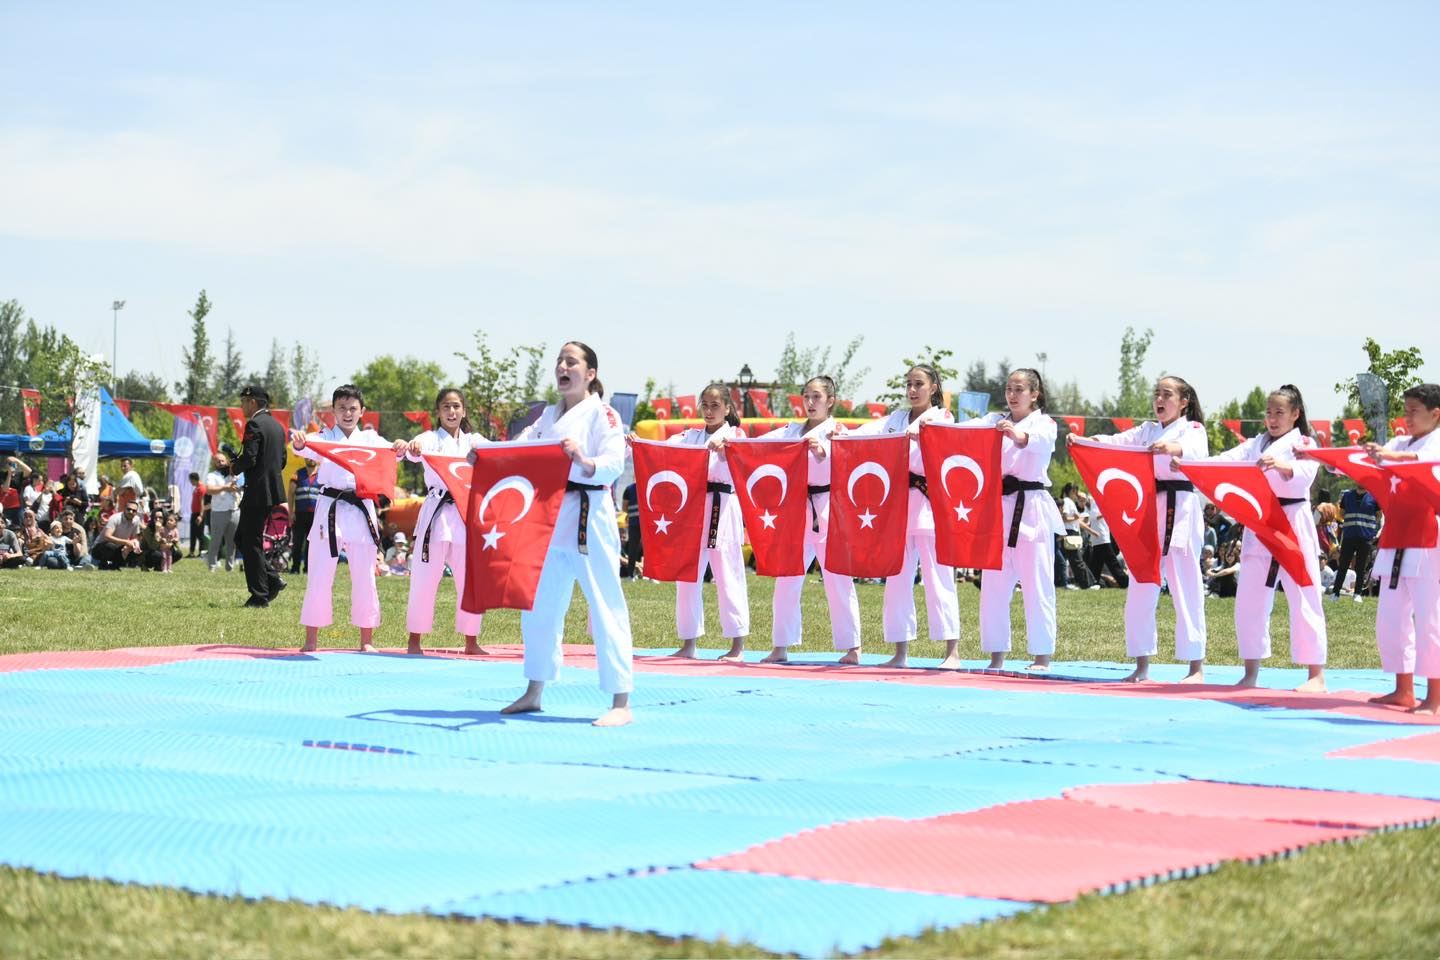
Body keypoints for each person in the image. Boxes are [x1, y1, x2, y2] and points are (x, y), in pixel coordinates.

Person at [503, 342, 634, 727]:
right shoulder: (547, 415)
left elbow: (614, 462)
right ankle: (534, 690)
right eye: (559, 361)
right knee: (540, 604)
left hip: (589, 514)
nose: (562, 366)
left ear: (590, 374)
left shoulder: (604, 414)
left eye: (571, 362)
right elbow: (519, 450)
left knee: (605, 602)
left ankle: (621, 701)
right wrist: (488, 454)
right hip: (549, 514)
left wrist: (584, 460)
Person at [1072, 376, 1209, 682]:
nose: (1159, 399)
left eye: (1167, 394)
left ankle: (1195, 667)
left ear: (1183, 401)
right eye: (1157, 394)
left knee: (1185, 585)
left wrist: (1172, 447)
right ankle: (1141, 664)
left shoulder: (1192, 429)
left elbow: (1196, 452)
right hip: (1148, 509)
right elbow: (1117, 441)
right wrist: (1087, 441)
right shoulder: (1147, 430)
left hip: (1180, 508)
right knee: (1140, 584)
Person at [1205, 385, 1326, 692]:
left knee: (1304, 595)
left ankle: (1316, 675)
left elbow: (1305, 473)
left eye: (1279, 412)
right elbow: (1226, 460)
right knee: (1250, 599)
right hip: (1261, 521)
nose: (1272, 418)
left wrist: (1283, 465)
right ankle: (1250, 673)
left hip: (1293, 522)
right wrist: (1194, 466)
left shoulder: (1304, 442)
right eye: (1269, 412)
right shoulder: (1256, 444)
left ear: (1295, 414)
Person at [742, 375, 863, 664]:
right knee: (787, 578)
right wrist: (730, 442)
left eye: (816, 397)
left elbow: (849, 461)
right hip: (794, 510)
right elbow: (755, 445)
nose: (810, 402)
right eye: (806, 396)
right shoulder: (791, 431)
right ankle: (780, 646)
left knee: (837, 577)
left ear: (830, 401)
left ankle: (853, 647)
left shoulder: (838, 431)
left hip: (827, 507)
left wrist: (823, 452)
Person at [845, 364, 959, 668]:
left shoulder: (942, 417)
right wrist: (841, 432)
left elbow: (942, 442)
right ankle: (900, 652)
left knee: (938, 577)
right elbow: (865, 432)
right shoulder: (895, 419)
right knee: (896, 579)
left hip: (929, 504)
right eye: (908, 384)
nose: (912, 390)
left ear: (933, 387)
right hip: (897, 507)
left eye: (918, 384)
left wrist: (919, 434)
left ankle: (952, 651)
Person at [965, 369, 1064, 670]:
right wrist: (931, 426)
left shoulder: (1045, 424)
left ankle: (1042, 656)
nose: (1012, 394)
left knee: (1037, 584)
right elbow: (961, 430)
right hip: (999, 508)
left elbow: (1030, 440)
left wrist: (1014, 433)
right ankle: (996, 655)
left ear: (1034, 394)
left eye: (1019, 389)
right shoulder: (994, 420)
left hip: (1032, 507)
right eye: (1009, 388)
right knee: (993, 585)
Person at [1351, 383, 1440, 713]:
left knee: (1429, 619)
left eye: (1414, 411)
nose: (1408, 417)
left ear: (1435, 414)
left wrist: (1391, 456)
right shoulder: (1400, 442)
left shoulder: (1435, 443)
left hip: (1427, 537)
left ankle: (1435, 696)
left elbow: (1422, 461)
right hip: (1395, 534)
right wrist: (1330, 458)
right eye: (1406, 411)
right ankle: (1403, 689)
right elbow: (1370, 460)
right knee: (1391, 618)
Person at [653, 382, 749, 660]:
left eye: (715, 406)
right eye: (704, 405)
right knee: (687, 576)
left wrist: (727, 448)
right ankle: (689, 643)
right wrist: (638, 443)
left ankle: (737, 645)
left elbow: (747, 457)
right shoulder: (690, 436)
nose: (708, 411)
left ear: (727, 408)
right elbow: (661, 449)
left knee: (728, 573)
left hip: (723, 505)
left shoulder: (735, 434)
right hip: (693, 508)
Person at [292, 384, 389, 648]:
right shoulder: (324, 437)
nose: (347, 413)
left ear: (362, 411)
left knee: (365, 576)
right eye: (342, 408)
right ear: (333, 411)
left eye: (352, 408)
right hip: (330, 507)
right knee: (319, 574)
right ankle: (311, 640)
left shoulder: (370, 439)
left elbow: (395, 452)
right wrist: (299, 442)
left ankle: (366, 640)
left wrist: (404, 446)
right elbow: (303, 448)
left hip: (361, 507)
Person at [396, 388, 489, 656]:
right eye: (446, 407)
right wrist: (409, 447)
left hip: (465, 513)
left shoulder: (474, 441)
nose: (451, 411)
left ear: (464, 411)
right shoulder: (428, 438)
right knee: (424, 578)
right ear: (438, 412)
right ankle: (415, 640)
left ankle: (471, 641)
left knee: (470, 579)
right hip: (436, 513)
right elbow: (412, 451)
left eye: (456, 406)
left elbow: (499, 452)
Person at [230, 384, 289, 608]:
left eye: (243, 402)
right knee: (242, 539)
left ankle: (259, 595)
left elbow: (250, 458)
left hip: (257, 491)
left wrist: (234, 467)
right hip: (270, 490)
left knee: (250, 541)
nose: (242, 406)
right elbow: (282, 460)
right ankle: (272, 579)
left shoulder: (254, 424)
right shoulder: (277, 426)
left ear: (252, 402)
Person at [1332, 484, 1380, 604]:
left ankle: (1357, 594)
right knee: (1343, 565)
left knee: (1361, 567)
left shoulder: (1374, 497)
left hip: (1365, 538)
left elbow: (1379, 515)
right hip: (1349, 536)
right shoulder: (1347, 496)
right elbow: (1341, 513)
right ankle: (1335, 593)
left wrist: (1369, 528)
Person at [1082, 485, 1128, 588]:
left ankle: (1094, 582)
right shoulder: (1094, 502)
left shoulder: (1101, 501)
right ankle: (1123, 582)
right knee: (1104, 562)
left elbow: (1097, 516)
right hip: (1098, 538)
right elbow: (1093, 517)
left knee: (1103, 563)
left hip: (1101, 537)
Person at [205, 453, 241, 572]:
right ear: (214, 463)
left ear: (227, 461)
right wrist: (225, 488)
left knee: (232, 542)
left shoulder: (234, 475)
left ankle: (230, 567)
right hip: (218, 512)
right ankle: (212, 566)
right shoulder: (212, 476)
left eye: (222, 460)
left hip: (234, 511)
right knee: (216, 541)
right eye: (218, 461)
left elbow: (241, 487)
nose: (221, 463)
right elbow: (209, 490)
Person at [1057, 483, 1095, 590]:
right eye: (1076, 492)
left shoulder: (1069, 501)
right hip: (1070, 533)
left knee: (1074, 560)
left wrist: (1076, 518)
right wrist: (1076, 518)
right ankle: (1086, 584)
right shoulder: (1067, 501)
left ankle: (1085, 583)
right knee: (1077, 560)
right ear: (1072, 491)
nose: (1077, 494)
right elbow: (1064, 518)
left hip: (1072, 532)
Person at [289, 459, 321, 574]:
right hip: (300, 514)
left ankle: (308, 568)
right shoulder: (298, 474)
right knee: (297, 542)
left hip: (316, 516)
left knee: (312, 544)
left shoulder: (322, 475)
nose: (310, 459)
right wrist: (291, 512)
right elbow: (291, 493)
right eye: (308, 457)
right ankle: (295, 568)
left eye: (312, 457)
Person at [92, 499, 143, 569]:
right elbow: (107, 536)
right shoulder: (115, 518)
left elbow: (135, 537)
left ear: (136, 512)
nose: (131, 512)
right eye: (129, 509)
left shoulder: (136, 520)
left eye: (134, 511)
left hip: (119, 547)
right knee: (110, 546)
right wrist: (125, 542)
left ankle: (115, 565)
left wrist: (134, 544)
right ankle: (103, 565)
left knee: (137, 549)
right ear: (124, 509)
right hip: (100, 548)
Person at [187, 471, 207, 557]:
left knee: (199, 534)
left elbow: (202, 503)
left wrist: (201, 516)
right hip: (194, 513)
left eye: (191, 480)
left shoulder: (202, 488)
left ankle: (202, 552)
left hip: (199, 514)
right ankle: (191, 552)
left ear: (194, 479)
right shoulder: (196, 488)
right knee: (193, 534)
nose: (190, 482)